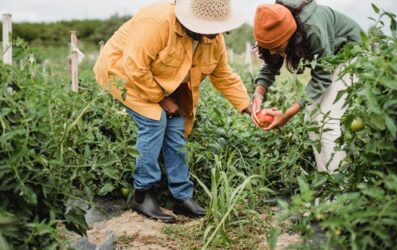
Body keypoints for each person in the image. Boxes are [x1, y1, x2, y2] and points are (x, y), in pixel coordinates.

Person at [93, 0, 251, 223]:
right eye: (210, 29)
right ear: (192, 20)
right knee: (155, 120)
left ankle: (181, 195)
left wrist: (248, 106)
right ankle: (142, 193)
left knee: (176, 124)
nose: (216, 35)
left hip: (161, 80)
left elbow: (223, 75)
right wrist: (161, 99)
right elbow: (134, 67)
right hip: (122, 73)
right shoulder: (156, 22)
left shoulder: (213, 38)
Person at [250, 0, 362, 172]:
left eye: (277, 47)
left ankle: (340, 189)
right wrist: (257, 96)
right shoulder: (277, 24)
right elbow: (270, 65)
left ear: (291, 35)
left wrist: (286, 115)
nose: (273, 52)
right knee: (311, 118)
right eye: (269, 48)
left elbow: (322, 77)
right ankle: (325, 182)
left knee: (327, 121)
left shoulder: (312, 29)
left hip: (352, 55)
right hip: (331, 60)